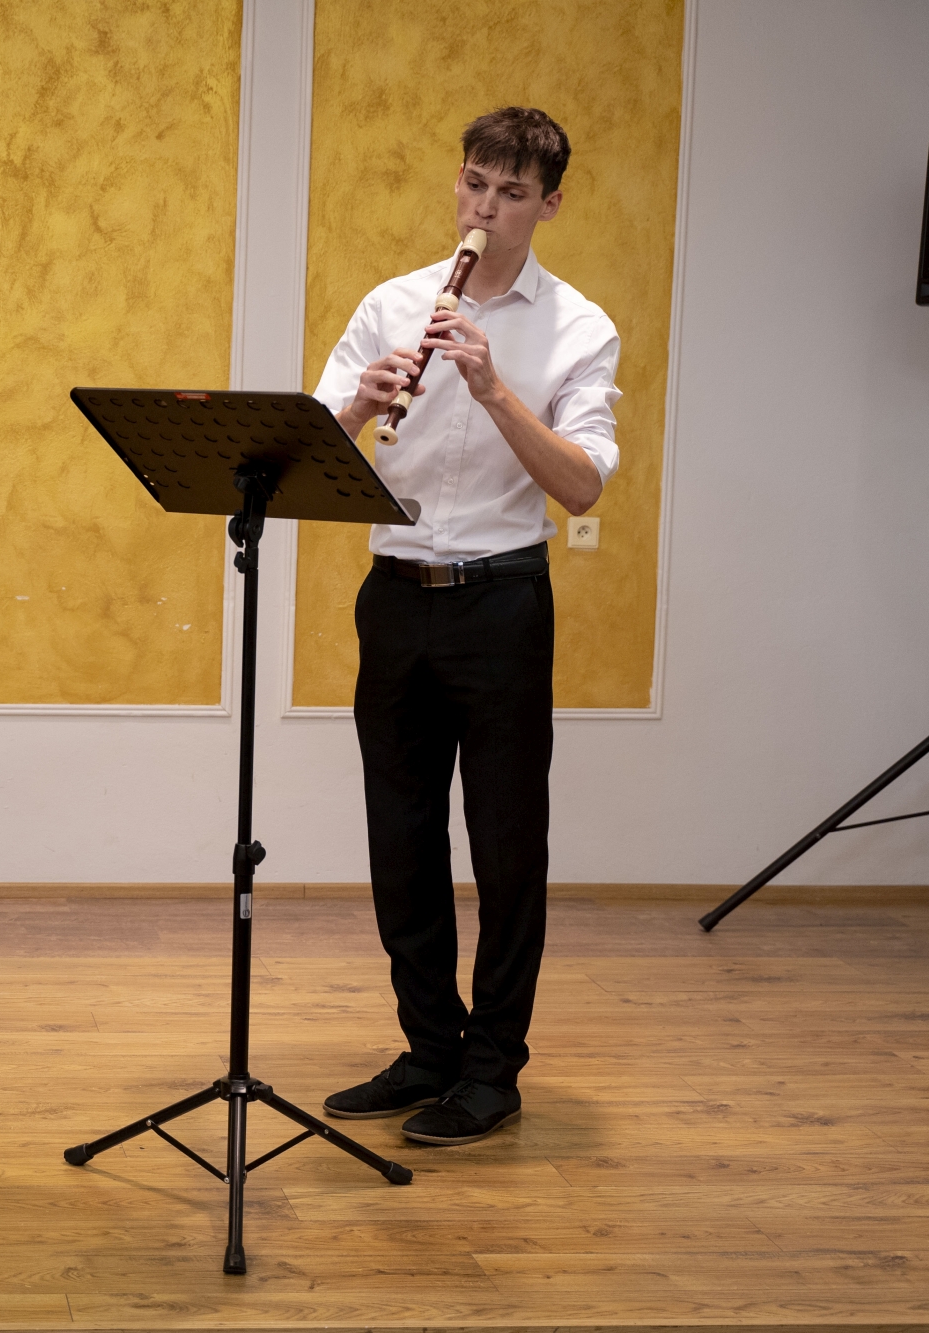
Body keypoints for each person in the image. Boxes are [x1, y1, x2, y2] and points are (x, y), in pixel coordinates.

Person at [312, 108, 620, 1145]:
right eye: (474, 185)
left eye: (510, 193)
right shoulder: (390, 304)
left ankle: (492, 1070)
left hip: (501, 601)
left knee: (504, 845)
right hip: (395, 595)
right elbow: (309, 453)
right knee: (400, 839)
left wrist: (491, 389)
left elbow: (581, 484)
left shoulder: (578, 327)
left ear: (548, 204)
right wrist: (359, 405)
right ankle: (427, 1049)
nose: (484, 208)